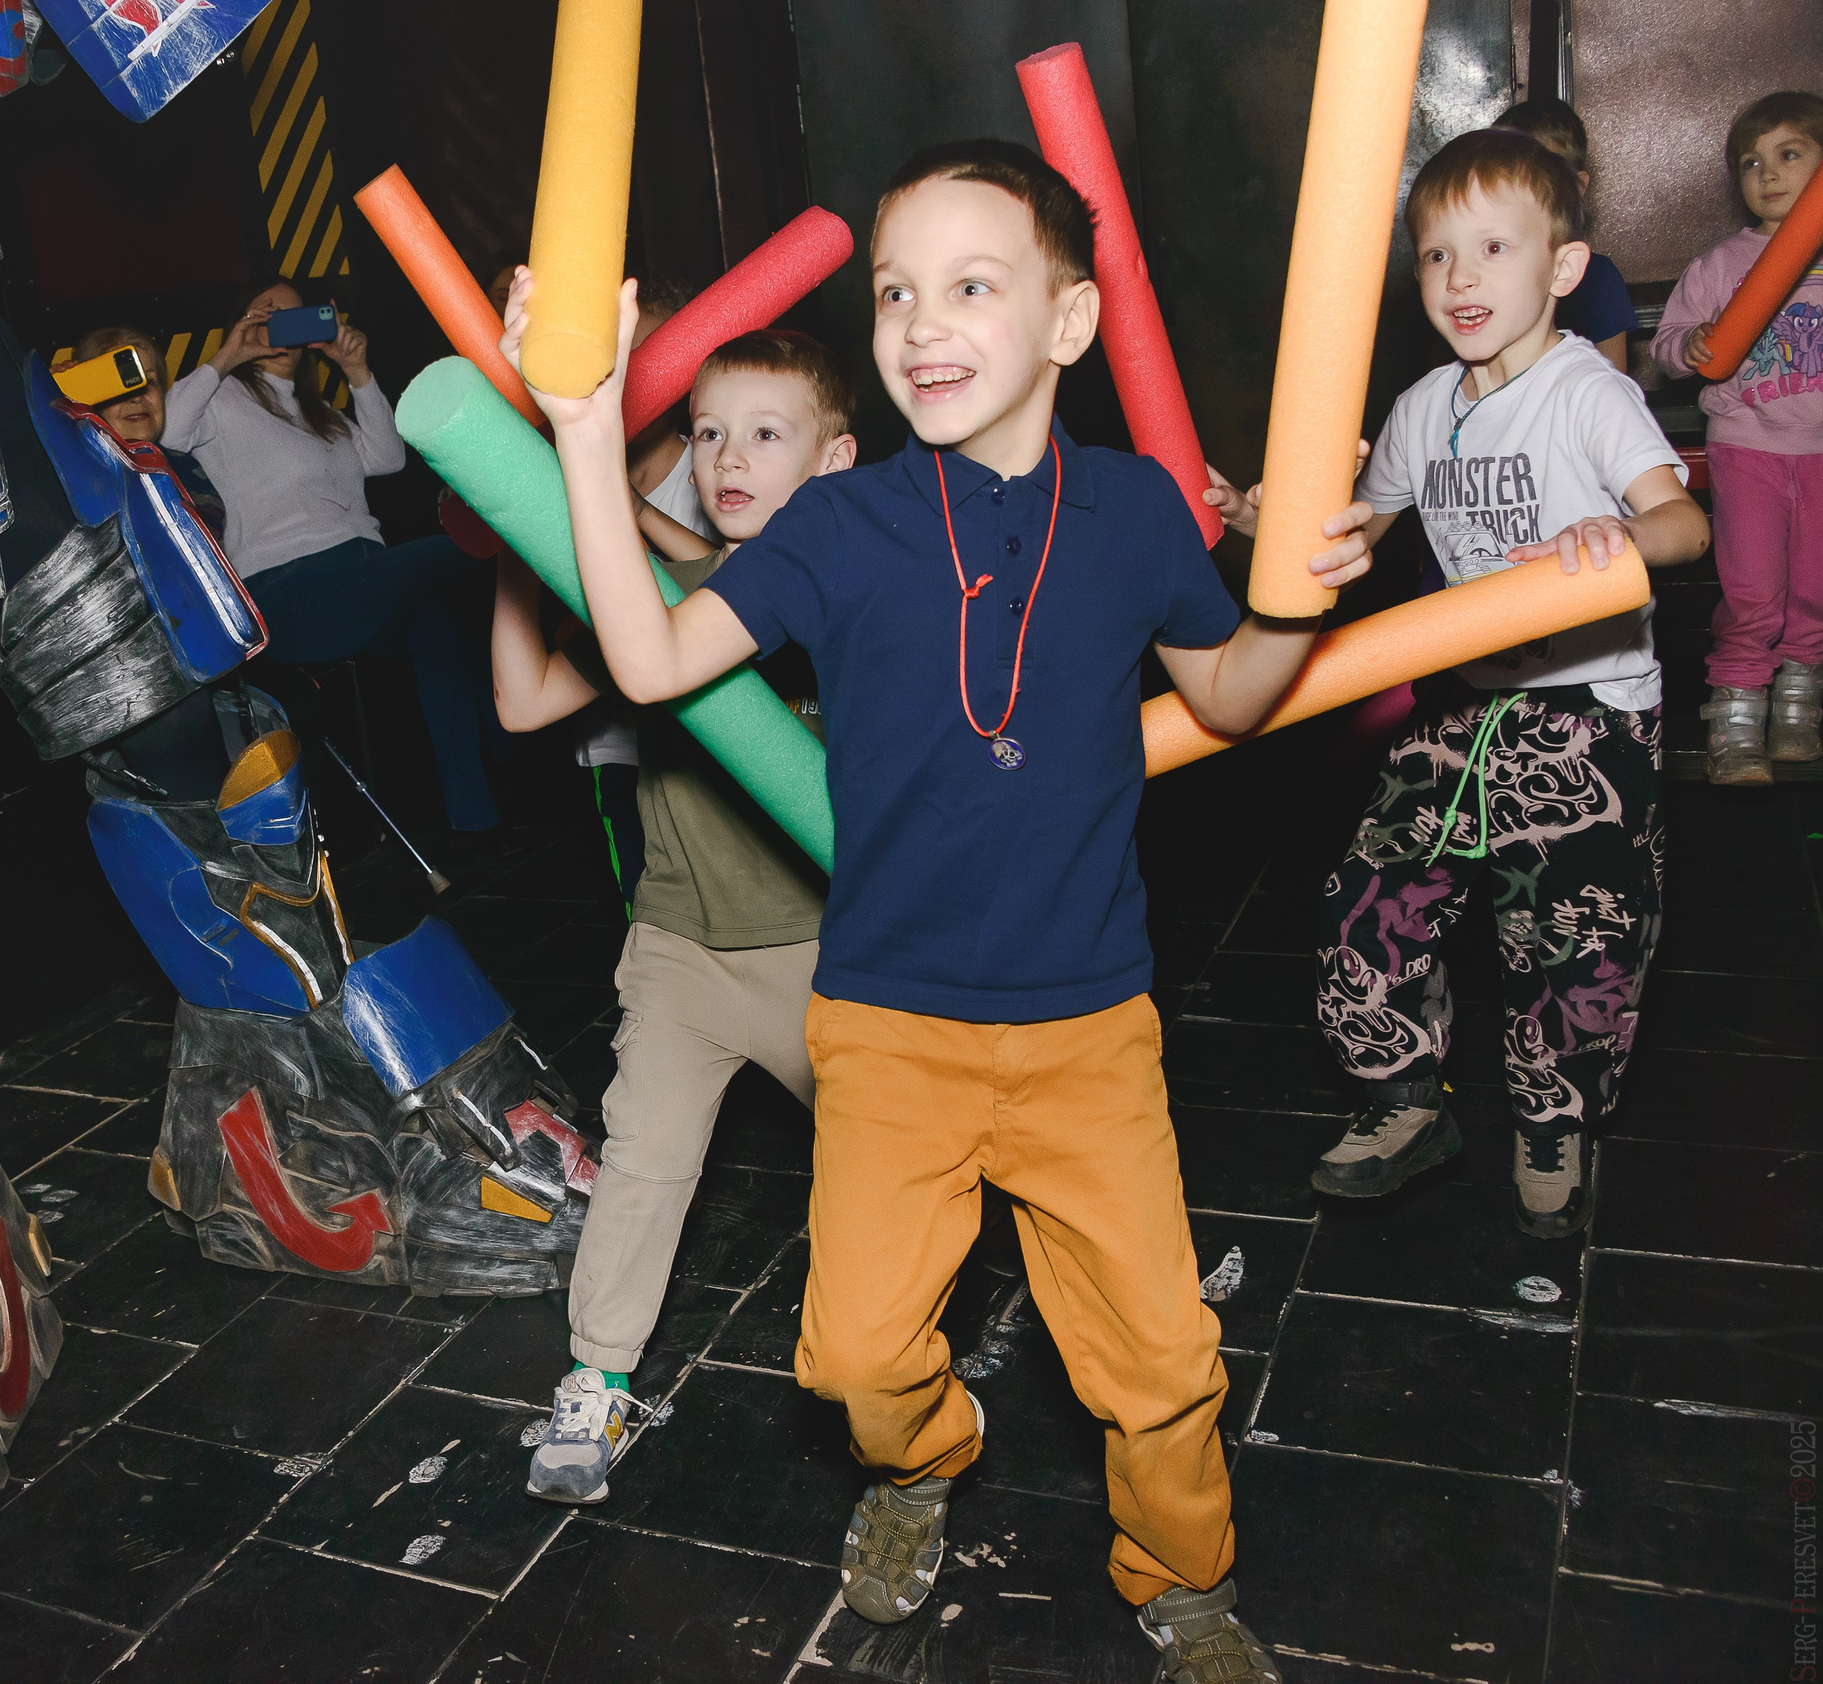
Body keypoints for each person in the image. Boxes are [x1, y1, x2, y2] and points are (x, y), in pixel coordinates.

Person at [507, 138, 1378, 1678]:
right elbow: (644, 666)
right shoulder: (836, 532)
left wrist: (1299, 598)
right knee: (850, 1360)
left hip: (1090, 1026)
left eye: (972, 286)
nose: (921, 324)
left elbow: (1234, 697)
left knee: (1163, 1365)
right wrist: (584, 433)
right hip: (891, 1029)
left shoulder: (1132, 513)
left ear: (1067, 322)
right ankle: (923, 1463)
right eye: (899, 291)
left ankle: (1182, 1575)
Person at [1213, 129, 1707, 1238]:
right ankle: (1400, 1098)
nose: (1463, 278)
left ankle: (1552, 1118)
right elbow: (1363, 521)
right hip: (1461, 706)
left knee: (1572, 938)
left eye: (1493, 247)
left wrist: (1617, 529)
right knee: (1369, 898)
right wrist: (1257, 515)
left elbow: (1682, 522)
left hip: (1587, 716)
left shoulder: (1586, 393)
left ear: (1562, 268)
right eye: (1437, 256)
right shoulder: (1424, 404)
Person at [495, 329, 852, 1505]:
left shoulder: (854, 597)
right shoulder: (664, 604)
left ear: (835, 461)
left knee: (925, 1155)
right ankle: (596, 1378)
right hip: (679, 947)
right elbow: (525, 698)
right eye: (705, 433)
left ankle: (1102, 1283)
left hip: (827, 951)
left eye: (763, 433)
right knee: (642, 1163)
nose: (725, 455)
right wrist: (517, 525)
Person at [162, 277, 501, 831]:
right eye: (264, 311)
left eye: (294, 316)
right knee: (448, 555)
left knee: (446, 628)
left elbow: (389, 458)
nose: (277, 321)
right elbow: (169, 430)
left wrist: (358, 371)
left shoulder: (322, 415)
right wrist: (227, 355)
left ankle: (476, 820)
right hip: (292, 593)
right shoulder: (221, 402)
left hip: (367, 580)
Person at [1651, 90, 1823, 783]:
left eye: (1790, 154)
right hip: (1747, 443)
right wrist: (1688, 343)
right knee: (1752, 588)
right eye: (1751, 162)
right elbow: (1665, 347)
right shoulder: (1723, 264)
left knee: (1816, 586)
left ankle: (1799, 704)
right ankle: (1736, 714)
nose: (1769, 174)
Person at [572, 274, 715, 905]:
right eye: (629, 365)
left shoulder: (720, 471)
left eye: (665, 364)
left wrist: (638, 516)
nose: (645, 385)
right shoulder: (576, 488)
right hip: (624, 745)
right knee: (648, 908)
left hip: (716, 735)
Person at [1499, 98, 1639, 370]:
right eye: (1511, 177)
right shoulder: (1479, 274)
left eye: (1546, 175)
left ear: (1579, 185)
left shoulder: (1598, 279)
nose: (1529, 192)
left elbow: (1614, 385)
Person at [62, 324, 228, 538]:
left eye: (148, 382)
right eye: (122, 386)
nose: (137, 397)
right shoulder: (70, 475)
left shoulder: (183, 468)